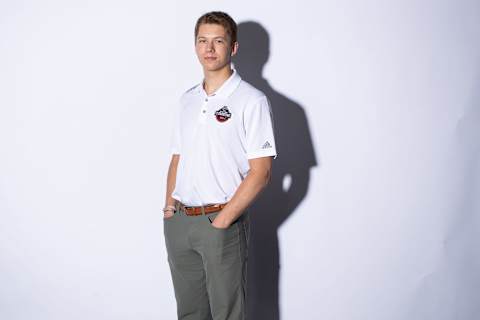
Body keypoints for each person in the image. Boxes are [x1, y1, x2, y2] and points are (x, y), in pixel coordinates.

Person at [163, 11, 278, 320]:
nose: (209, 48)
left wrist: (223, 221)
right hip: (180, 222)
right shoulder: (186, 100)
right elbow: (177, 156)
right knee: (189, 313)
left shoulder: (251, 100)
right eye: (203, 41)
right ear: (195, 46)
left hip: (221, 223)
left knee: (228, 314)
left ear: (233, 48)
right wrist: (169, 210)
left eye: (218, 41)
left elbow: (261, 172)